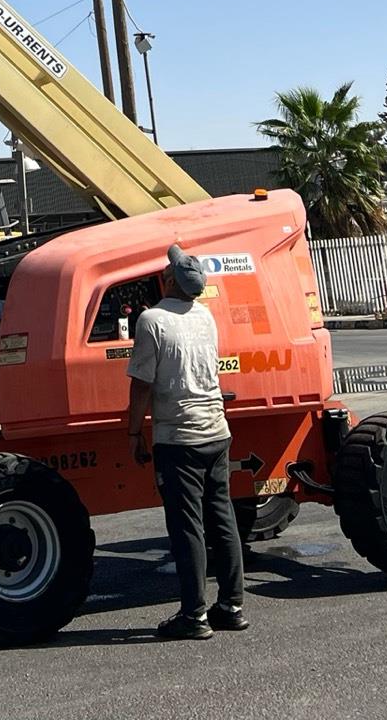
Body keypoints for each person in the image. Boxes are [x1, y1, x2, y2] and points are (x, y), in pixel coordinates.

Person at [124, 241, 247, 640]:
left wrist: (133, 433)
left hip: (179, 439)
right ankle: (231, 607)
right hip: (216, 432)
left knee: (187, 527)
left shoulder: (152, 320)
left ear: (167, 280)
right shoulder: (206, 317)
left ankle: (194, 616)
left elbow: (141, 385)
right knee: (222, 519)